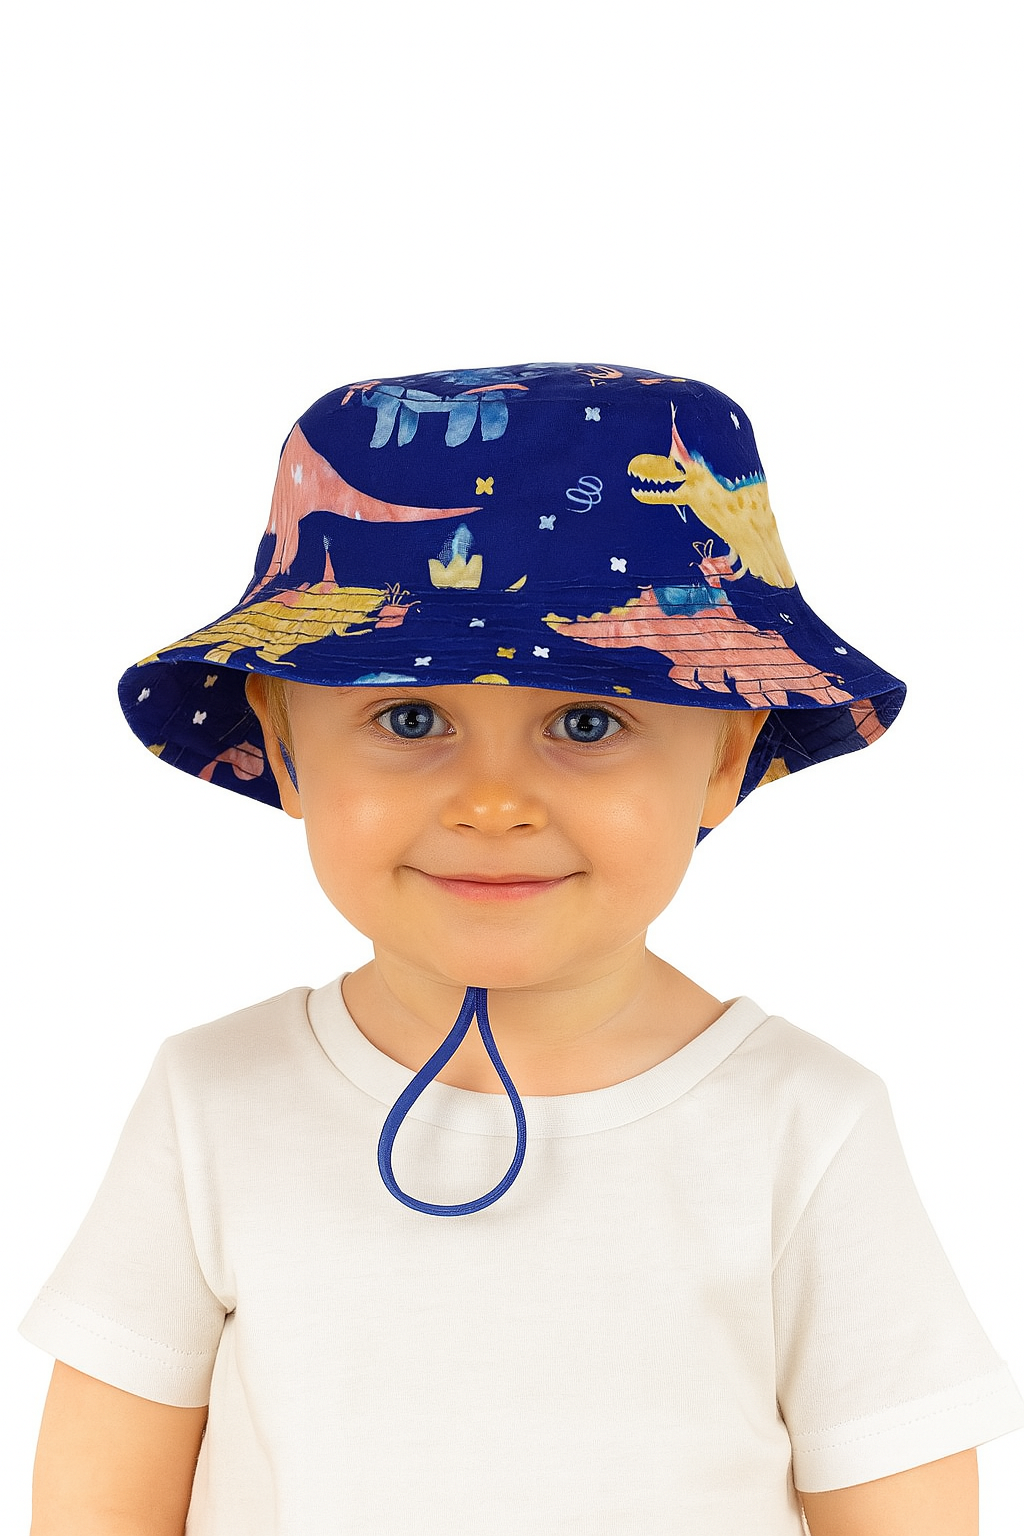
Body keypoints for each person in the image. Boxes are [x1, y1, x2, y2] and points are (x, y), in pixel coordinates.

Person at [20, 363, 1023, 1534]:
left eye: (587, 722)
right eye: (410, 718)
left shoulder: (804, 1126)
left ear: (723, 759)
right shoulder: (212, 1103)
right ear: (285, 750)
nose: (492, 802)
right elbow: (98, 1505)